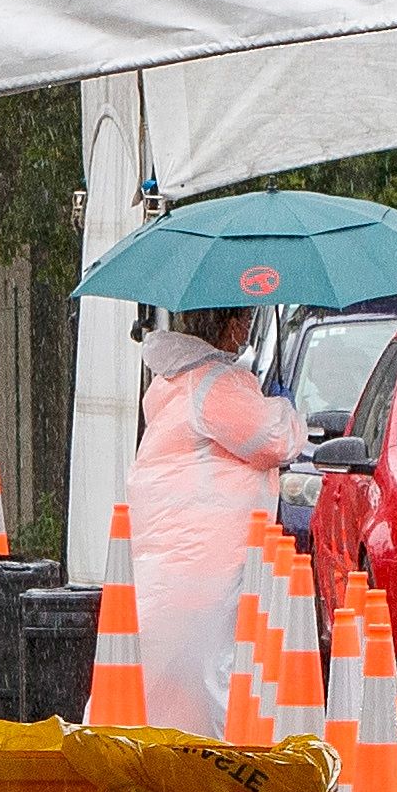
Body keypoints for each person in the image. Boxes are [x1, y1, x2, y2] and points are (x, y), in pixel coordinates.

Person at [125, 305, 300, 733]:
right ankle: (211, 762)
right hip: (211, 562)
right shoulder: (217, 383)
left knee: (159, 679)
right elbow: (273, 439)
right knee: (212, 676)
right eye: (246, 322)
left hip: (168, 560)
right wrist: (285, 409)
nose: (247, 332)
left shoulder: (172, 382)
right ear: (233, 326)